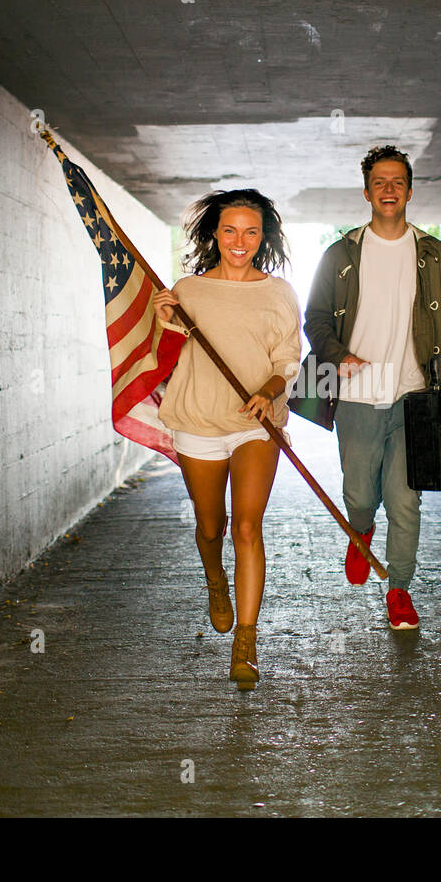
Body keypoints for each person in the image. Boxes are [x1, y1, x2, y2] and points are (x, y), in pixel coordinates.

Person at [304, 145, 441, 630]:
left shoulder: (434, 255)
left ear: (410, 190)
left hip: (413, 397)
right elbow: (314, 319)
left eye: (397, 181)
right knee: (359, 495)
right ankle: (360, 531)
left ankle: (398, 589)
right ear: (366, 191)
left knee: (404, 497)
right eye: (379, 181)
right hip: (358, 393)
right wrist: (339, 356)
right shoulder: (339, 255)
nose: (389, 189)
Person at [152, 189, 300, 689]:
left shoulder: (278, 292)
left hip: (256, 424)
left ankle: (246, 642)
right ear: (215, 233)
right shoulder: (188, 290)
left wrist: (268, 391)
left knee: (247, 528)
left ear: (264, 237)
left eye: (252, 231)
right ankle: (216, 580)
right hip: (197, 419)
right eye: (231, 230)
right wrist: (163, 318)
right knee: (211, 527)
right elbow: (165, 353)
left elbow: (288, 360)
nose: (241, 241)